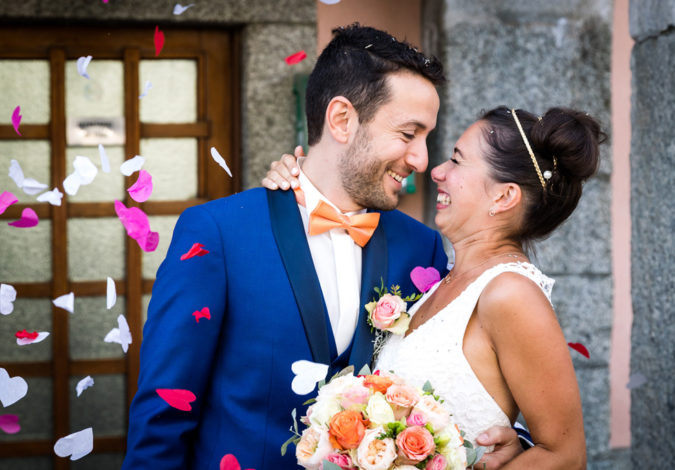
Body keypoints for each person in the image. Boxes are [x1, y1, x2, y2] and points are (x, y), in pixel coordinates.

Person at [123, 25, 520, 470]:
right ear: (342, 120)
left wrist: (512, 441)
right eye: (409, 134)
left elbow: (456, 377)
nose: (422, 161)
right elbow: (164, 414)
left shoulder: (422, 248)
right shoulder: (218, 232)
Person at [266, 105, 604, 468]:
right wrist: (302, 178)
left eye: (457, 161)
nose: (437, 171)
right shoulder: (440, 277)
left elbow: (566, 455)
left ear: (503, 197)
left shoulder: (511, 293)